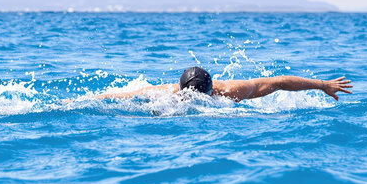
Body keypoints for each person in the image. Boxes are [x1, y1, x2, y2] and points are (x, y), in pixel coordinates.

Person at [94, 66, 352, 102]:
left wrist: (322, 84)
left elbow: (118, 96)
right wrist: (322, 84)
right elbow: (279, 81)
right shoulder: (230, 93)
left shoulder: (233, 91)